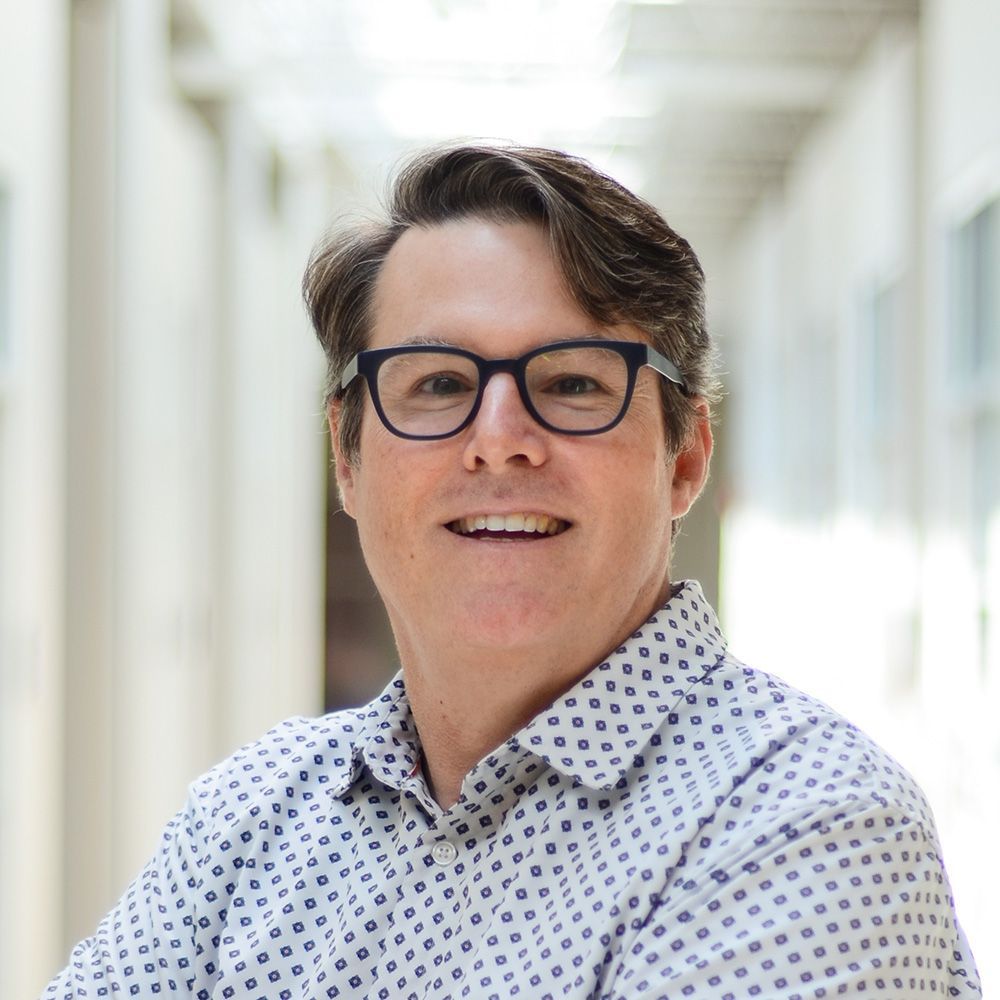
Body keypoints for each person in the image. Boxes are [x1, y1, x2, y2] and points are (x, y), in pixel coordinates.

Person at [43, 143, 981, 999]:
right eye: (438, 384)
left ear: (687, 456)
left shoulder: (807, 822)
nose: (499, 440)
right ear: (348, 459)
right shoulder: (248, 820)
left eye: (572, 382)